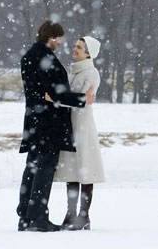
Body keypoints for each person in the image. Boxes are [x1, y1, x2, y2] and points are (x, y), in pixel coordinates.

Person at [17, 20, 95, 232]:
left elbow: (38, 91)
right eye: (57, 38)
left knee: (31, 168)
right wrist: (82, 100)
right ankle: (39, 217)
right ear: (50, 38)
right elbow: (57, 93)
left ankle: (24, 215)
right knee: (44, 170)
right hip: (48, 123)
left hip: (33, 120)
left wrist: (45, 97)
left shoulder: (28, 57)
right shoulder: (46, 58)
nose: (59, 42)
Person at [53, 36, 105, 230]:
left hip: (83, 127)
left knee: (86, 170)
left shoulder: (92, 73)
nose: (74, 49)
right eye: (75, 45)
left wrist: (56, 98)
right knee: (72, 172)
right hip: (71, 126)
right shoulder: (73, 72)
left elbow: (82, 99)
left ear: (88, 53)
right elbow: (73, 97)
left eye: (79, 47)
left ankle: (84, 216)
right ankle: (70, 214)